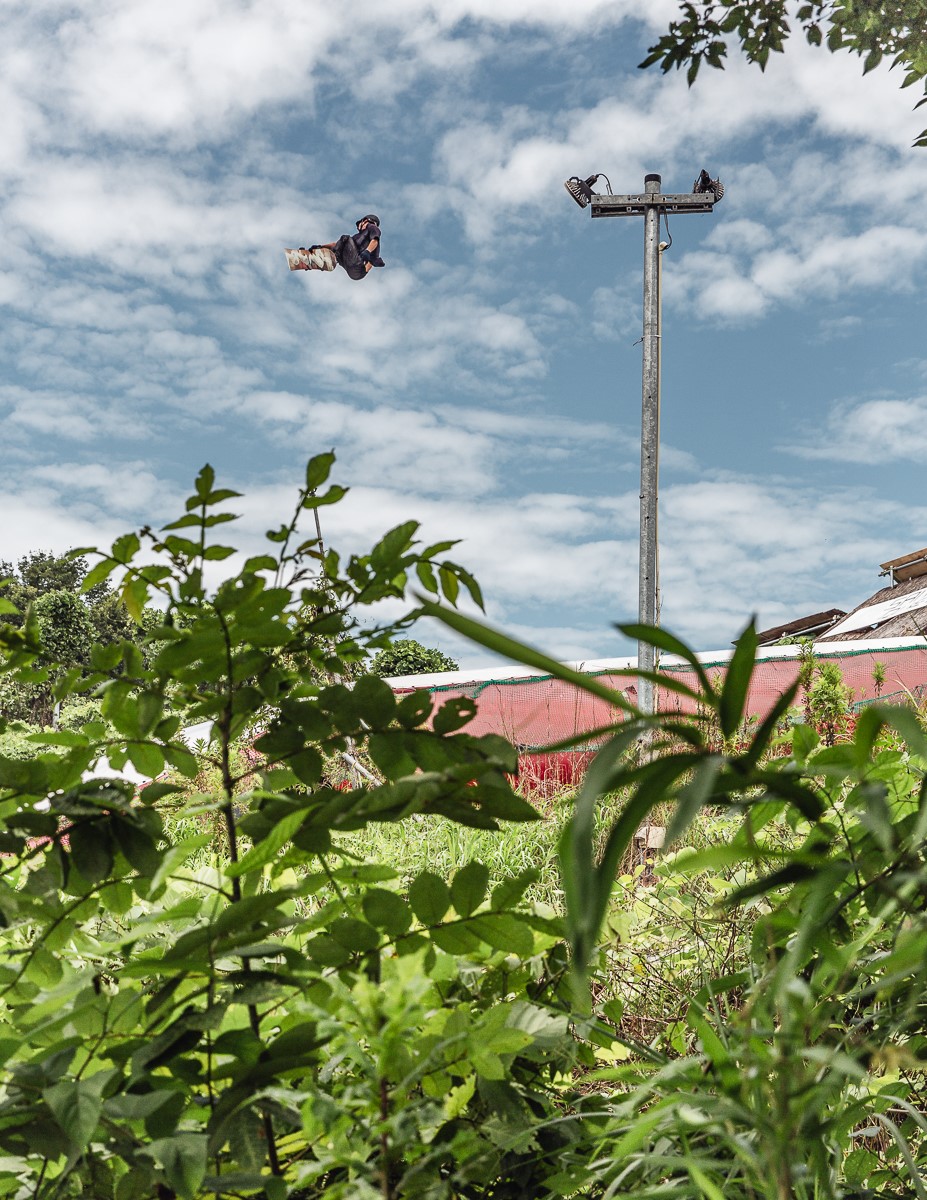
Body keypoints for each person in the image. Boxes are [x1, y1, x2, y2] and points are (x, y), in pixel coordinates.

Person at [296, 215, 385, 279]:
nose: (358, 228)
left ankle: (323, 258)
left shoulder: (372, 227)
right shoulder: (356, 238)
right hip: (354, 271)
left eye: (359, 225)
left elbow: (375, 240)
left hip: (358, 266)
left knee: (345, 238)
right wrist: (320, 246)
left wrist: (367, 251)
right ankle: (313, 261)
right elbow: (336, 245)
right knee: (343, 244)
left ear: (365, 221)